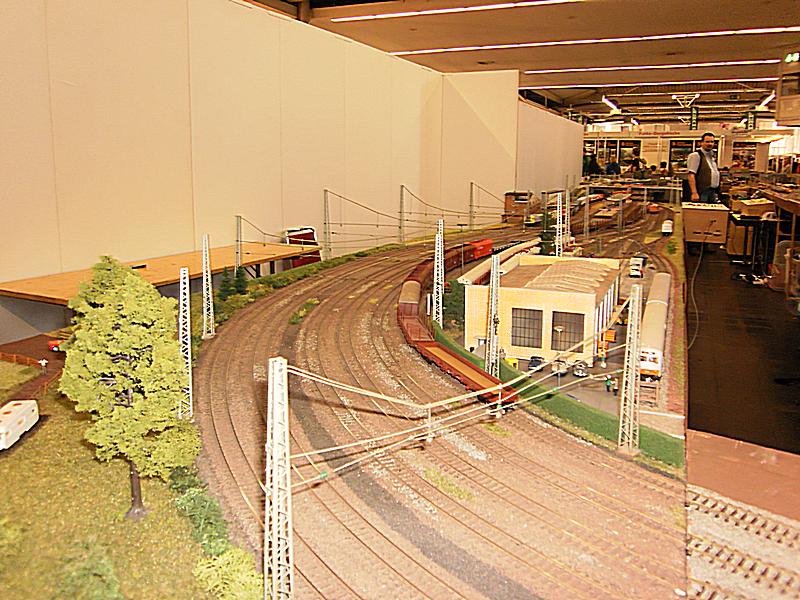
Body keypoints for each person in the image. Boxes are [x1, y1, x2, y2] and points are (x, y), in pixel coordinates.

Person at [687, 132, 720, 203]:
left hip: (712, 191)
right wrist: (694, 193)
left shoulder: (712, 156)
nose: (710, 144)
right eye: (707, 142)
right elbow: (691, 175)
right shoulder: (696, 155)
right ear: (701, 143)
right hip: (701, 192)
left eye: (712, 142)